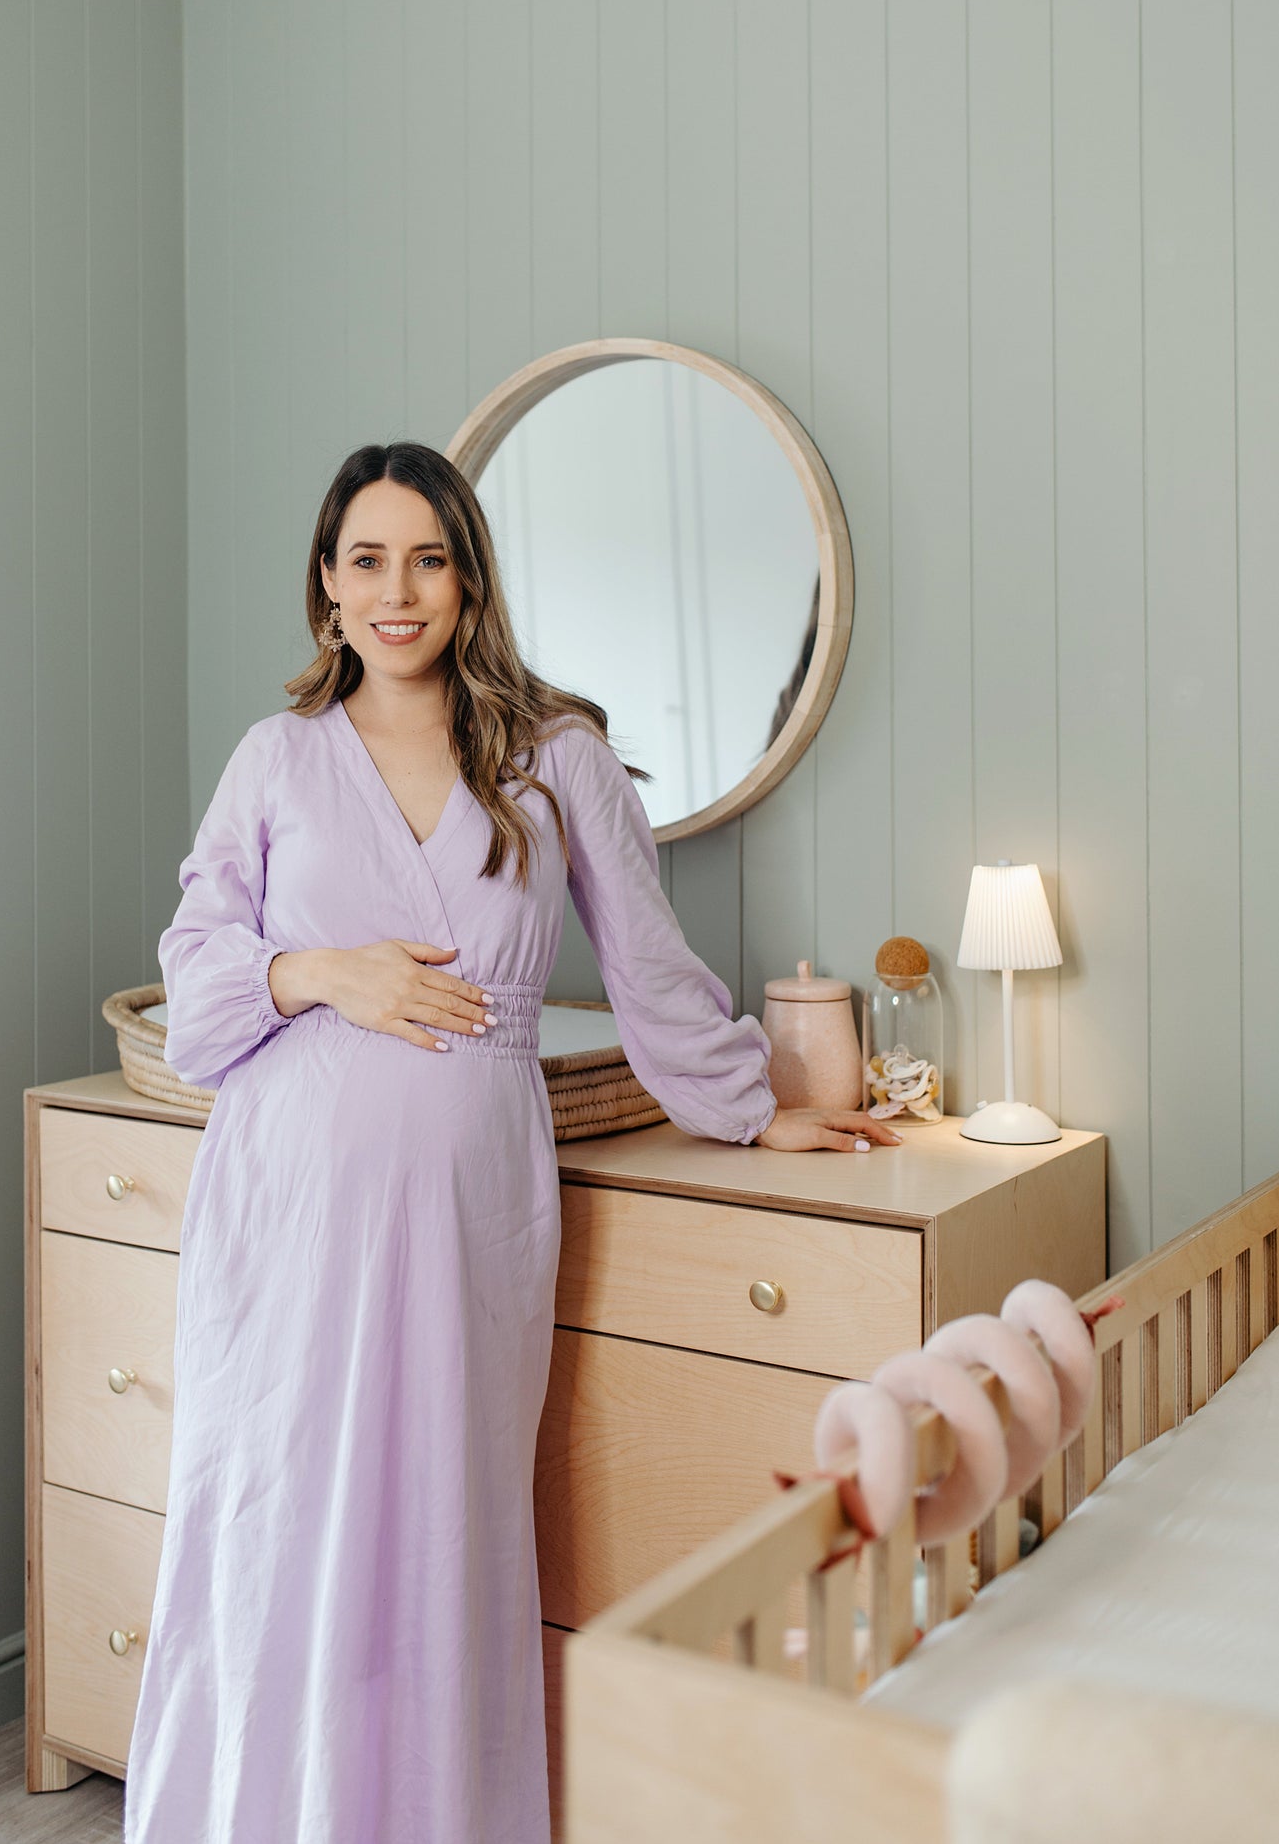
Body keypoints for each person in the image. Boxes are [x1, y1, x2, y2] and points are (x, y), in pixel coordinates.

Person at [121, 441, 899, 1844]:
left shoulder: (558, 761)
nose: (396, 590)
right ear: (326, 585)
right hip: (283, 1198)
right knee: (275, 1514)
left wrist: (754, 1105)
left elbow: (653, 970)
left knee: (434, 1528)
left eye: (427, 556)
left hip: (466, 1204)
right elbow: (193, 976)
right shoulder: (277, 759)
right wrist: (322, 971)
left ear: (469, 576)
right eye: (366, 558)